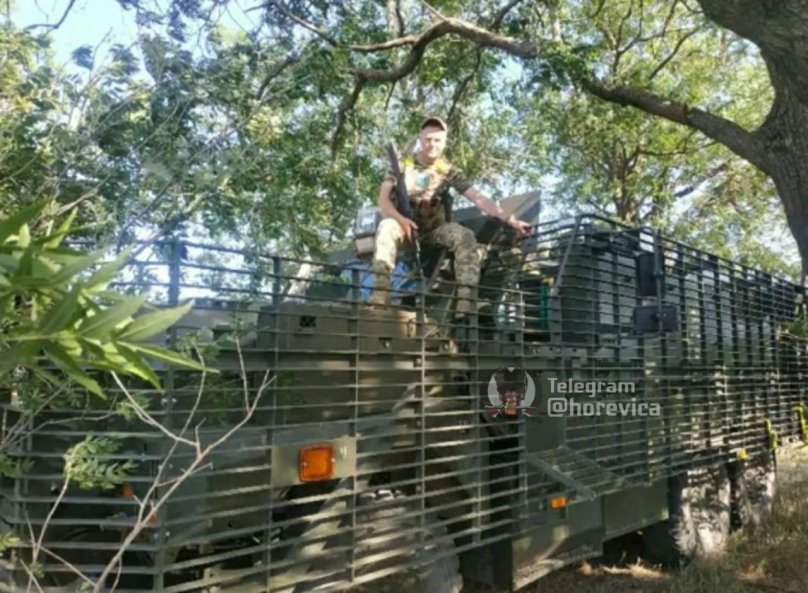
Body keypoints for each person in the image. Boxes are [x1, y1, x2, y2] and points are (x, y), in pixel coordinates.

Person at [368, 116, 532, 315]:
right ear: (420, 139)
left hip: (434, 230)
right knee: (385, 227)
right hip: (404, 228)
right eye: (428, 139)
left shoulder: (447, 170)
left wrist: (512, 220)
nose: (432, 144)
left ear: (444, 143)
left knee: (464, 236)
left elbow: (479, 199)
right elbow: (383, 201)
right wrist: (401, 221)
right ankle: (381, 292)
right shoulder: (402, 165)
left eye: (437, 140)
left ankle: (465, 300)